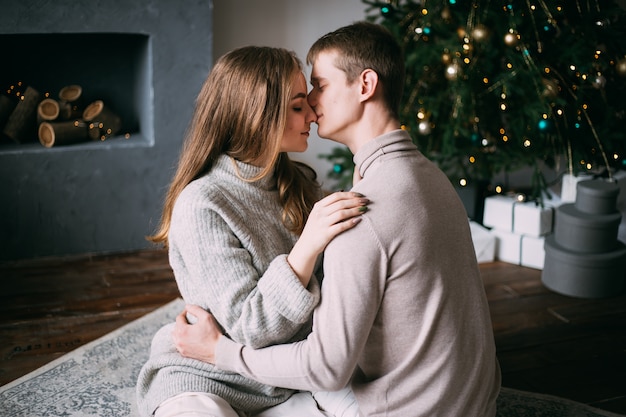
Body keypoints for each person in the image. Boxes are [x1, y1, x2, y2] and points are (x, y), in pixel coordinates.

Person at [173, 21, 502, 417]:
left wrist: (219, 351)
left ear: (365, 86)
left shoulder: (359, 211)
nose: (312, 105)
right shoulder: (432, 178)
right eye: (300, 100)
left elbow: (326, 366)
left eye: (319, 86)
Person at [136, 46, 368, 417]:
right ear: (255, 117)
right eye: (296, 107)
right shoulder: (203, 203)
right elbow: (250, 326)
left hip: (290, 372)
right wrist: (307, 246)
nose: (311, 111)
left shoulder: (298, 183)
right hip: (212, 374)